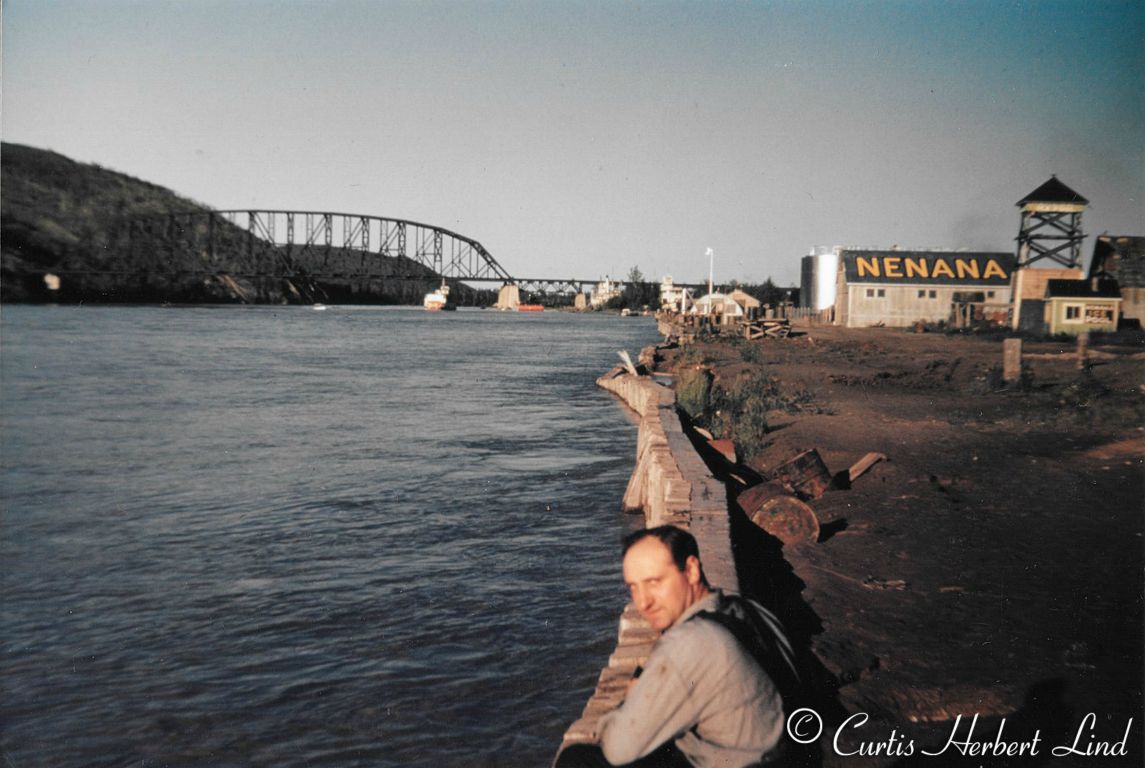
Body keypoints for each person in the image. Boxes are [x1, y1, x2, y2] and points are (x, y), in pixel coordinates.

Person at [556, 525, 800, 768]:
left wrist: (624, 707)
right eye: (633, 587)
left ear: (692, 570)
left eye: (654, 582)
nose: (643, 602)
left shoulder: (691, 641)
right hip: (785, 755)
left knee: (577, 759)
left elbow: (618, 748)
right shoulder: (750, 610)